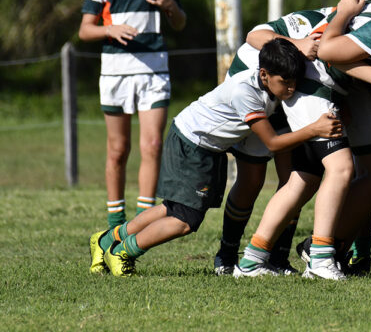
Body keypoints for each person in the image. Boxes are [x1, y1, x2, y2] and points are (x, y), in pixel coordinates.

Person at [88, 39, 343, 276]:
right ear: (264, 74)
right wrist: (314, 129)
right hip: (193, 143)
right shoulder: (245, 92)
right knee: (185, 220)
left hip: (205, 146)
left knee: (173, 209)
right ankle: (122, 252)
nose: (291, 88)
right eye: (285, 82)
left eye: (295, 81)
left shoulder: (267, 85)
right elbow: (272, 144)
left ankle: (107, 240)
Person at [79, 0, 186, 229]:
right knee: (118, 149)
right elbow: (85, 30)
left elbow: (180, 23)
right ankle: (115, 222)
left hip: (155, 70)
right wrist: (109, 29)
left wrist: (169, 5)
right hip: (115, 72)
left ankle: (138, 226)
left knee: (152, 145)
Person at [213, 7, 332, 275]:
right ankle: (227, 252)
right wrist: (299, 44)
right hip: (257, 95)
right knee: (251, 180)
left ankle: (279, 257)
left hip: (291, 96)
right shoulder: (315, 19)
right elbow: (255, 35)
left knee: (293, 180)